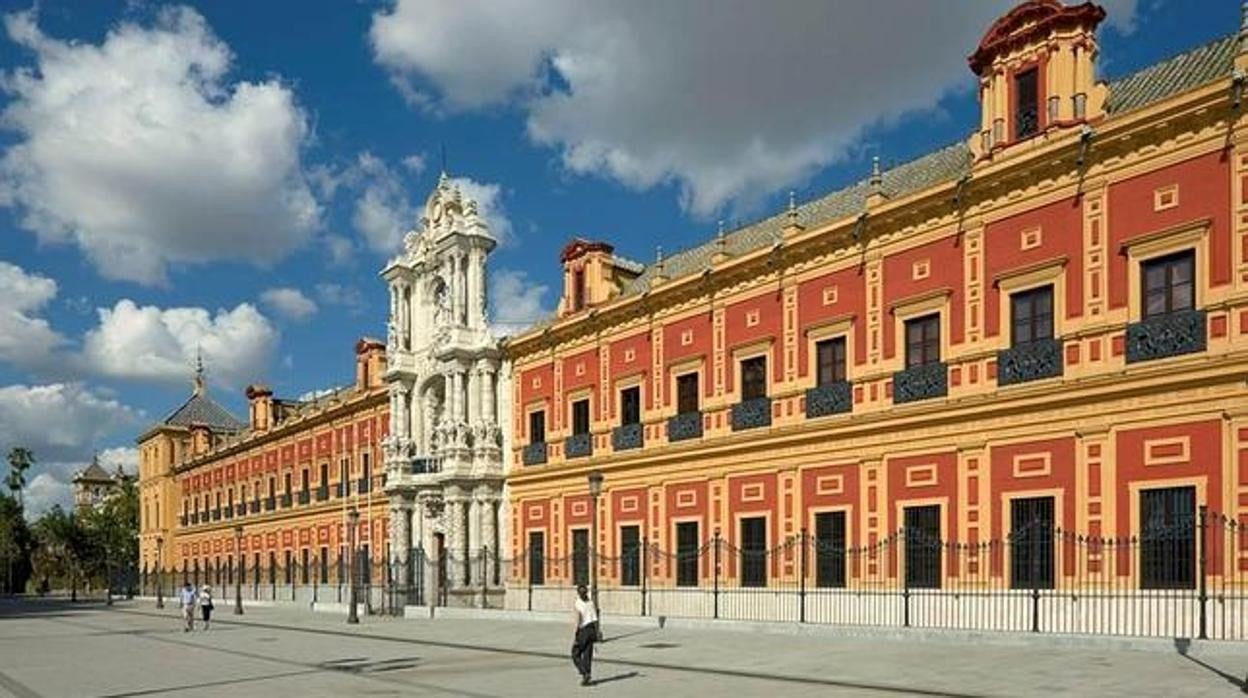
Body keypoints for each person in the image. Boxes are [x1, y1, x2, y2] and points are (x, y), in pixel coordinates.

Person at [570, 584, 599, 687]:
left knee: (575, 653)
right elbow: (595, 619)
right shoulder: (591, 602)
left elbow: (577, 621)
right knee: (587, 654)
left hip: (584, 630)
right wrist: (597, 632)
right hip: (592, 630)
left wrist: (575, 636)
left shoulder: (578, 603)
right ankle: (587, 675)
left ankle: (584, 672)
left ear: (578, 593)